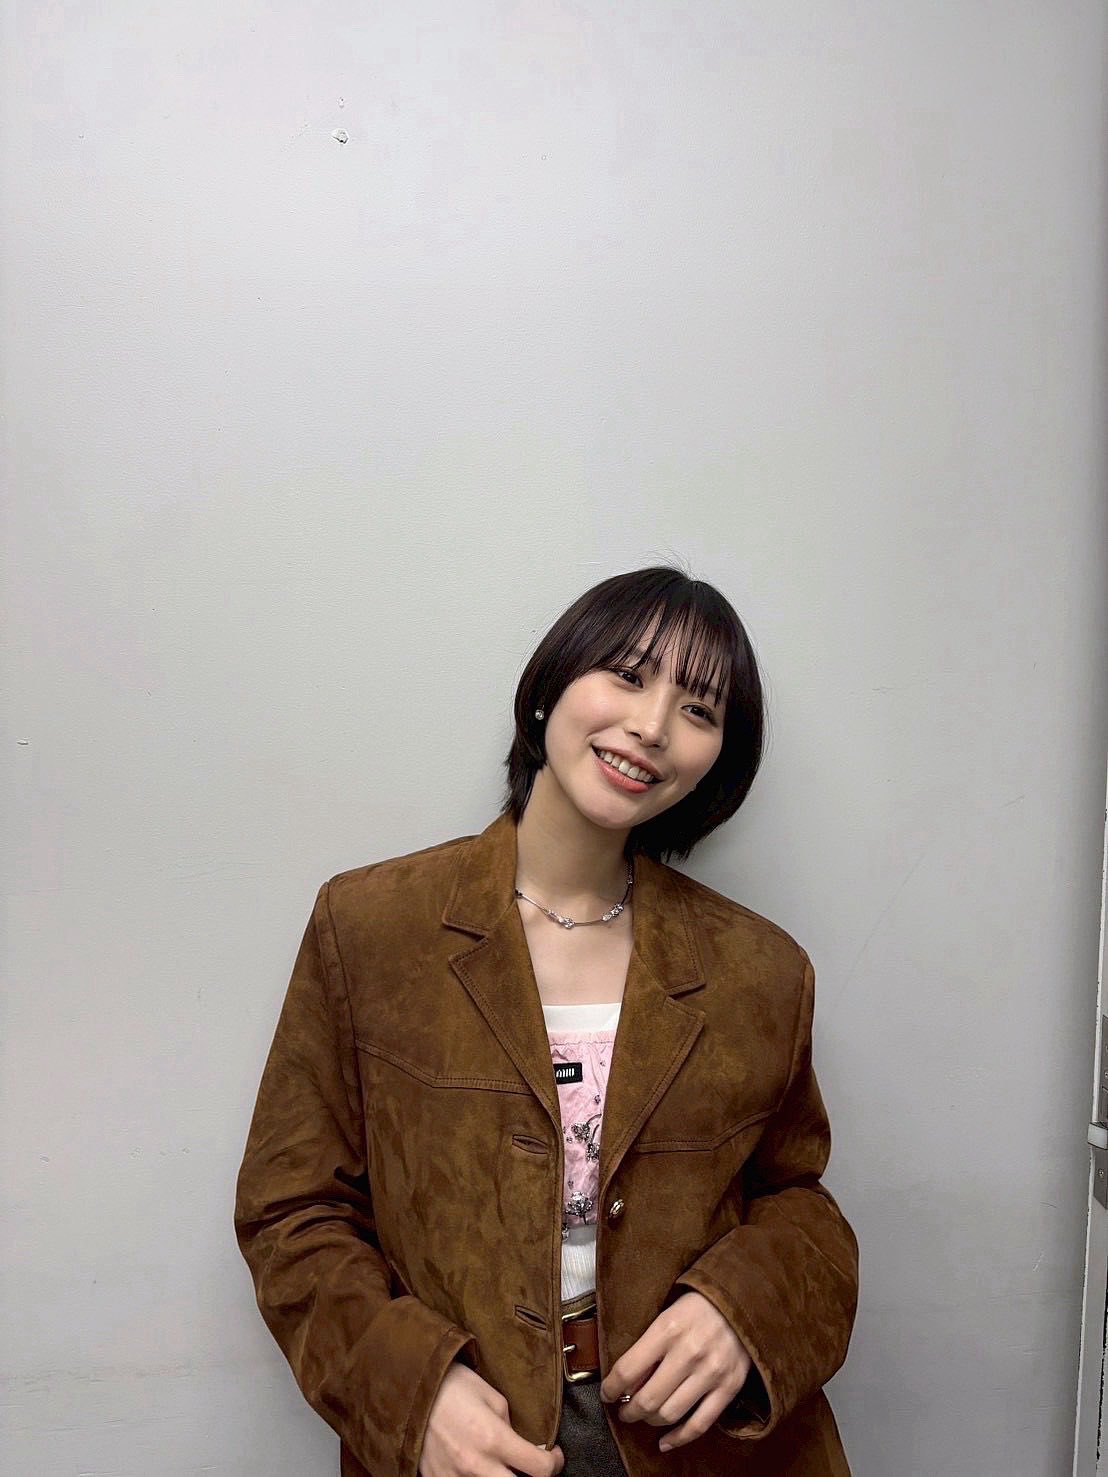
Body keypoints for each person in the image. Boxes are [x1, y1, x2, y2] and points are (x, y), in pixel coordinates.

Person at [234, 564, 859, 1477]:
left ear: (718, 759)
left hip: (704, 1444)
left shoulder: (761, 970)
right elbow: (291, 1210)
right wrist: (411, 1390)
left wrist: (744, 1310)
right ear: (550, 687)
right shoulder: (370, 927)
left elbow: (800, 1200)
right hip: (476, 1442)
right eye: (628, 674)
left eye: (699, 708)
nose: (651, 724)